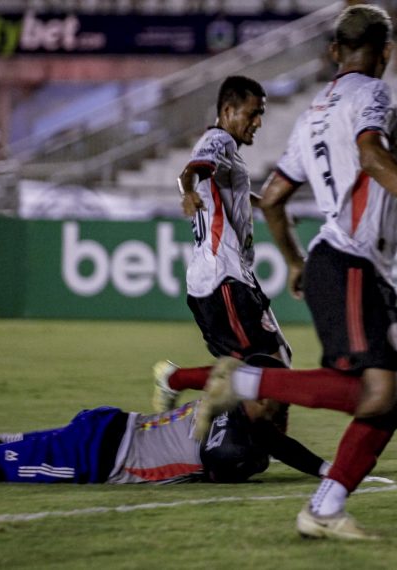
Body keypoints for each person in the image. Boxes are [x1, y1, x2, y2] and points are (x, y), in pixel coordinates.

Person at [188, 5, 397, 540]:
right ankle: (242, 383)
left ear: (334, 51)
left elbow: (276, 198)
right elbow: (371, 154)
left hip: (339, 263)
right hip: (350, 258)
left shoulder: (311, 112)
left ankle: (325, 506)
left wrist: (294, 262)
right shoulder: (371, 94)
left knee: (391, 390)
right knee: (384, 389)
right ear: (385, 51)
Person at [152, 76, 294, 430]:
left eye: (261, 113)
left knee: (267, 366)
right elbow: (192, 171)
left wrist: (267, 203)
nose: (259, 121)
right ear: (228, 111)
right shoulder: (218, 140)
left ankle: (181, 385)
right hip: (223, 277)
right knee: (268, 368)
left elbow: (231, 193)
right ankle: (178, 382)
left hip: (225, 277)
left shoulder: (230, 154)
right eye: (253, 113)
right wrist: (187, 192)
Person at [0, 399, 340, 486]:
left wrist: (322, 469)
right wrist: (322, 470)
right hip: (97, 458)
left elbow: (273, 444)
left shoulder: (224, 399)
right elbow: (229, 459)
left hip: (109, 422)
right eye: (282, 410)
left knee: (6, 455)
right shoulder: (243, 443)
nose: (284, 420)